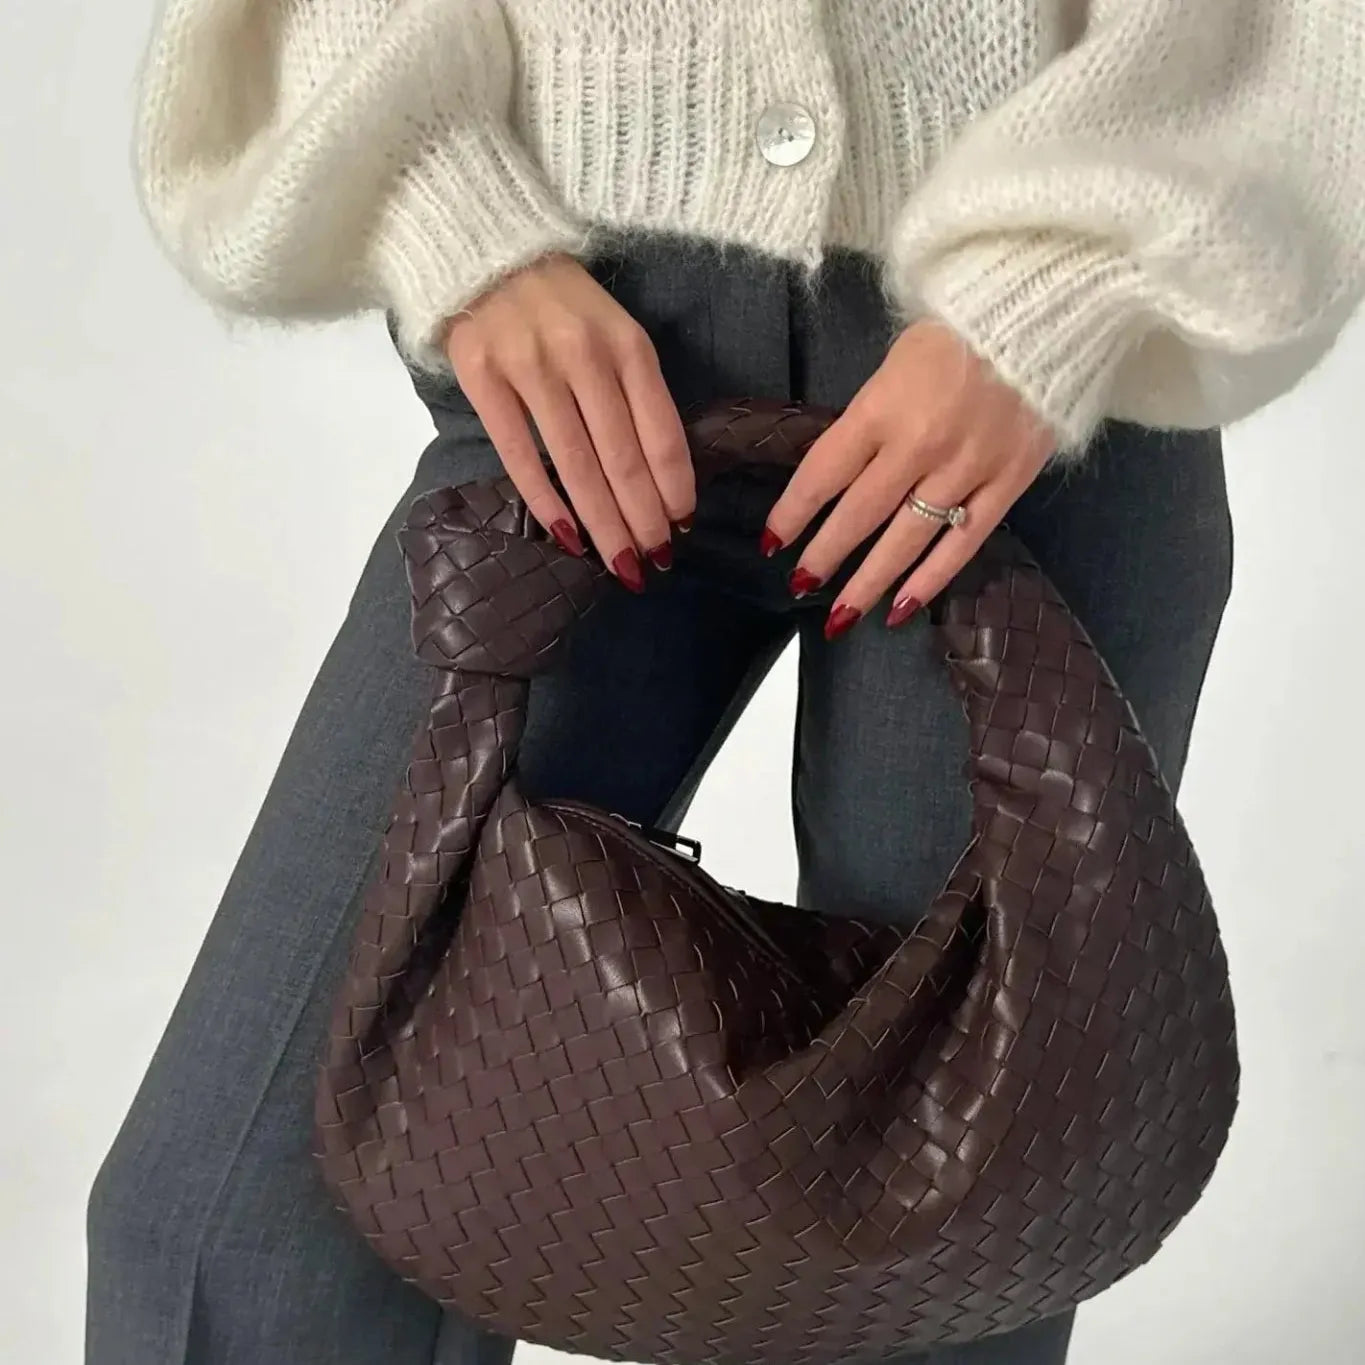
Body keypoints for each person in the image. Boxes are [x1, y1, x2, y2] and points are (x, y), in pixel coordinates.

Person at [90, 2, 1365, 1363]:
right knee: (236, 1231)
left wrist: (1056, 290)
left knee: (935, 1275)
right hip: (590, 354)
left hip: (1023, 395)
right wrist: (440, 200)